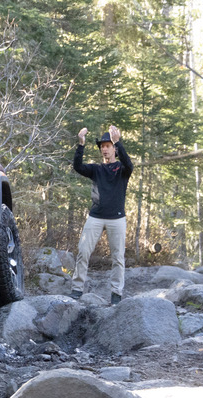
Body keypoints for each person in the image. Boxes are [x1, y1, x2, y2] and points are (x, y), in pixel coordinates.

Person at [69, 125, 133, 305]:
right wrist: (81, 144)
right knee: (83, 252)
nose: (104, 149)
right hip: (96, 216)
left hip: (117, 218)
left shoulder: (121, 169)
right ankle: (77, 289)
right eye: (102, 146)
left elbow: (130, 164)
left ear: (114, 149)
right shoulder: (96, 169)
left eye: (108, 146)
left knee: (118, 257)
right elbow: (78, 166)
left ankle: (116, 293)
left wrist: (119, 142)